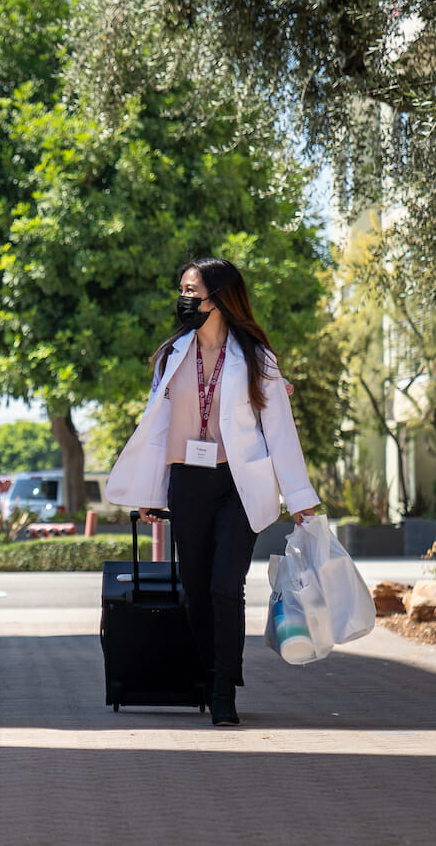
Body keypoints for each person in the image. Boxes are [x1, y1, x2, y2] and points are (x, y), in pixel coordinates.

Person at [105, 257, 319, 727]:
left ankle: (224, 688)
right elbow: (155, 430)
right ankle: (208, 673)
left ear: (220, 299)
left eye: (193, 292)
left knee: (227, 587)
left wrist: (301, 499)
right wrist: (149, 489)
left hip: (237, 484)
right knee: (198, 589)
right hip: (187, 482)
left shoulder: (257, 358)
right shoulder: (171, 355)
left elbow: (279, 431)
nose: (185, 300)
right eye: (181, 289)